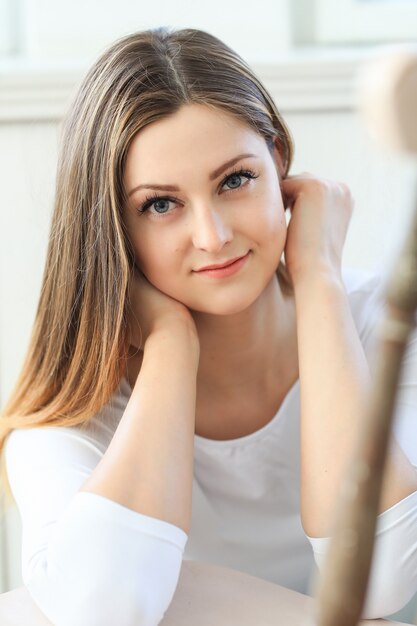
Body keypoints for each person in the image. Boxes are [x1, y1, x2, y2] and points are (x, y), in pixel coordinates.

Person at [1, 26, 417, 626]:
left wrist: (318, 277)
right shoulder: (74, 412)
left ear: (278, 162)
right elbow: (104, 609)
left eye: (235, 180)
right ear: (111, 228)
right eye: (161, 205)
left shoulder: (383, 324)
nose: (213, 236)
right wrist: (171, 345)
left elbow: (381, 579)